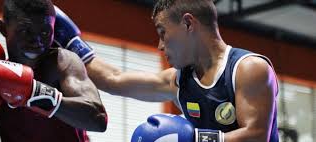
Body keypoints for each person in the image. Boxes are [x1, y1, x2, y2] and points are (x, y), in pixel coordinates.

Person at [80, 0, 279, 141]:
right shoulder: (180, 81)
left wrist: (193, 139)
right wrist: (72, 44)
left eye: (162, 32)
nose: (160, 45)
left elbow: (256, 136)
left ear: (188, 23)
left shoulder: (248, 68)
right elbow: (113, 79)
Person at [0, 0, 107, 142]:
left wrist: (32, 93)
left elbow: (98, 119)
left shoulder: (61, 63)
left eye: (45, 33)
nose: (36, 41)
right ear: (4, 28)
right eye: (26, 31)